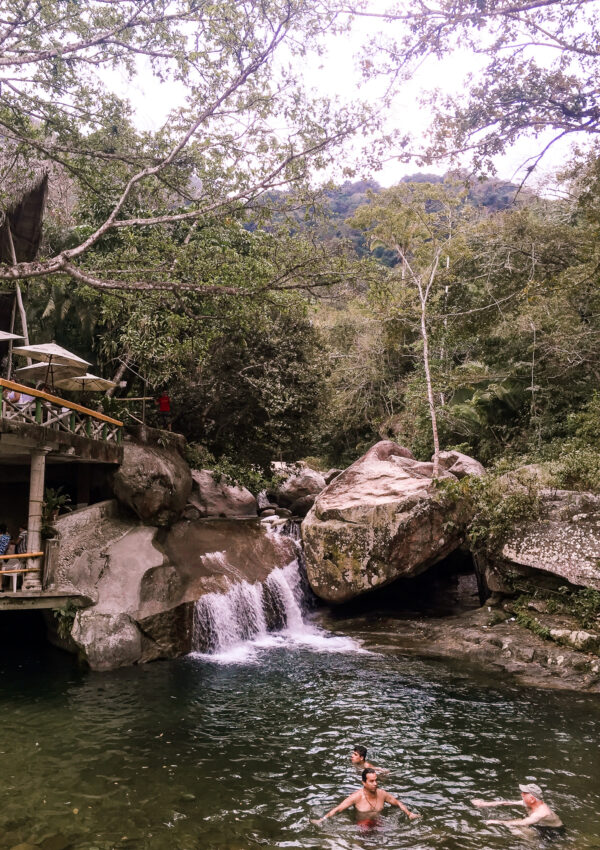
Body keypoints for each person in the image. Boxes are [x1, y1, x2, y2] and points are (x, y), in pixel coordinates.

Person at [311, 768, 419, 825]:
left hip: (380, 823)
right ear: (363, 782)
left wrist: (409, 814)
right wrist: (322, 819)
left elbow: (398, 803)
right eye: (371, 781)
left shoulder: (382, 794)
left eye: (376, 780)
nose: (375, 783)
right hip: (362, 825)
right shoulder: (356, 797)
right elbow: (338, 809)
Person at [472, 782, 563, 834]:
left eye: (524, 793)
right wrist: (483, 804)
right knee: (514, 823)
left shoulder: (540, 813)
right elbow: (506, 803)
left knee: (513, 826)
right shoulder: (531, 803)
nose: (521, 794)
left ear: (532, 799)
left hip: (553, 832)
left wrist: (496, 822)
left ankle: (532, 845)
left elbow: (522, 823)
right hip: (540, 825)